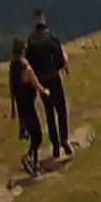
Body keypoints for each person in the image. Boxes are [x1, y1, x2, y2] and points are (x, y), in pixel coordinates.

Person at [26, 12, 71, 162]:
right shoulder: (51, 39)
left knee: (50, 113)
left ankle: (56, 145)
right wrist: (58, 69)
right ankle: (64, 139)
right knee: (62, 110)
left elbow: (28, 63)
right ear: (45, 22)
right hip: (53, 78)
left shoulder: (31, 42)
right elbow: (59, 59)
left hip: (41, 81)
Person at [6, 47, 44, 179]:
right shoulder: (26, 68)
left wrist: (13, 108)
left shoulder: (13, 69)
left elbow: (13, 90)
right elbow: (36, 85)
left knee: (34, 135)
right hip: (30, 106)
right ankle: (28, 157)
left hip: (21, 107)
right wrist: (46, 92)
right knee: (38, 136)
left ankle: (36, 164)